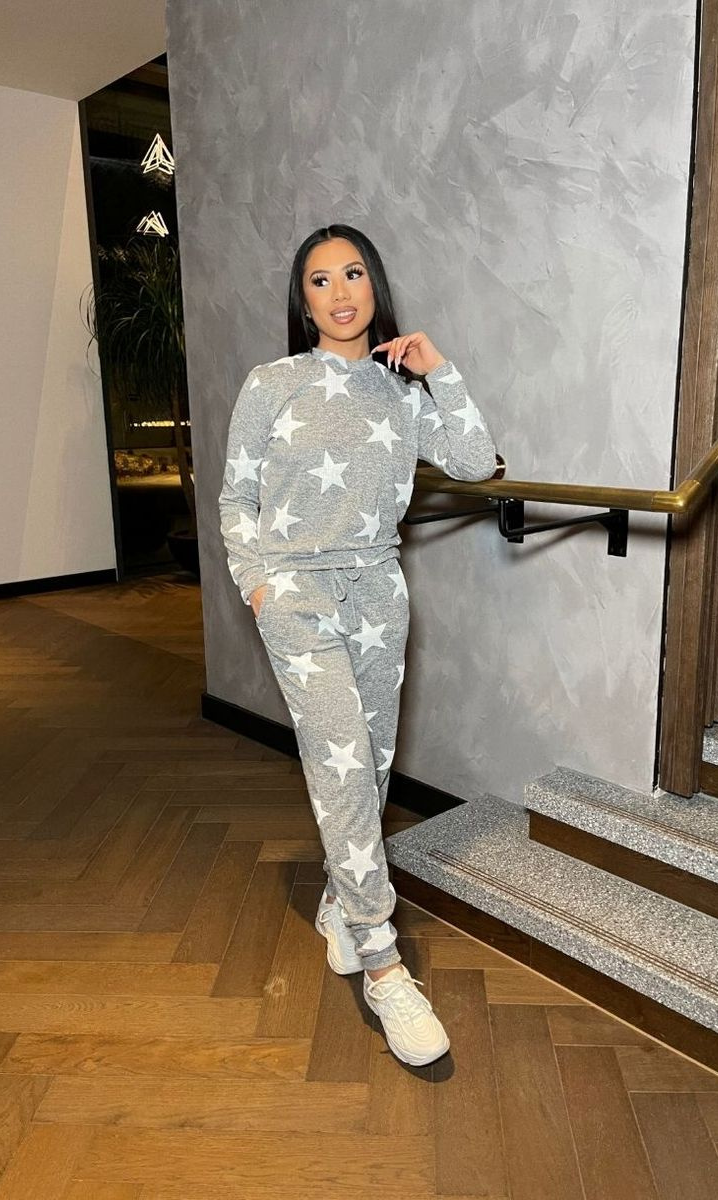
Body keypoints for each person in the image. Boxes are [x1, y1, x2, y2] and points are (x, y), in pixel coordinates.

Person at [218, 223, 499, 1066]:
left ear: (374, 285)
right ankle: (384, 966)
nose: (339, 293)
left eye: (352, 274)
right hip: (297, 597)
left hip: (378, 591)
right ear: (302, 301)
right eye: (319, 280)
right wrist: (259, 586)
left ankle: (342, 905)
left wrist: (438, 369)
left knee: (370, 767)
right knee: (341, 764)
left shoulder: (400, 393)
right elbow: (235, 500)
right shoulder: (272, 383)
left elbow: (477, 461)